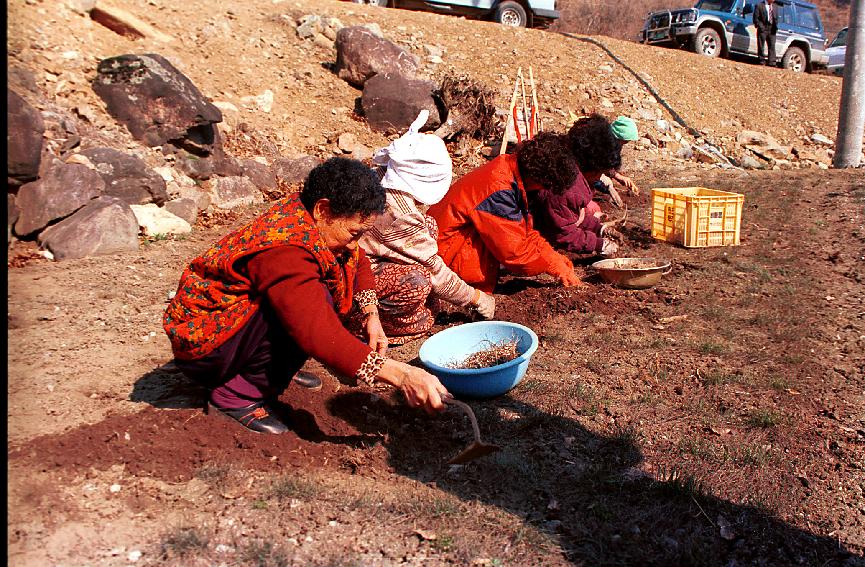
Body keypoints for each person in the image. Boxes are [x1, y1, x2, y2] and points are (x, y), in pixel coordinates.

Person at [163, 157, 449, 434]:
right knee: (311, 308)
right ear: (323, 210)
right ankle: (237, 394)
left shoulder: (308, 216)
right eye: (353, 233)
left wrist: (372, 314)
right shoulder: (285, 251)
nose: (355, 244)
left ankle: (273, 368)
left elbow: (357, 259)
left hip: (235, 327)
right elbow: (316, 332)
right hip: (207, 344)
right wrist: (402, 375)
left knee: (316, 297)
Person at [359, 111, 495, 344]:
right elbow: (435, 272)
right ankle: (367, 326)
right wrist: (477, 298)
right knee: (418, 282)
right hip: (354, 274)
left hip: (364, 253)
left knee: (429, 226)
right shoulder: (398, 213)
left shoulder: (382, 173)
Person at [428, 131, 583, 293]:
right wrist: (550, 264)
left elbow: (522, 230)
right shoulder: (500, 189)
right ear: (539, 179)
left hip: (444, 248)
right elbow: (516, 254)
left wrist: (551, 255)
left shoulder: (509, 169)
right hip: (443, 261)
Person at [528, 145, 623, 258]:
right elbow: (564, 234)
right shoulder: (563, 190)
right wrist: (600, 244)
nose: (599, 178)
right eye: (599, 173)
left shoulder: (572, 177)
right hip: (526, 241)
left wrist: (600, 228)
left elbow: (572, 215)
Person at [569, 114, 638, 216]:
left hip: (585, 174)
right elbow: (595, 168)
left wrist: (618, 177)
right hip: (578, 176)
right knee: (593, 207)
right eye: (624, 141)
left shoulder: (607, 144)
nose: (624, 144)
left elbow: (603, 167)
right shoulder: (594, 146)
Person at [754, 0, 778, 67]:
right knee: (761, 45)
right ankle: (761, 60)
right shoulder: (759, 5)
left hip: (772, 29)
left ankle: (772, 62)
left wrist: (775, 27)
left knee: (772, 45)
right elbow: (756, 19)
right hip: (763, 27)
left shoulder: (775, 6)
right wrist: (761, 27)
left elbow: (776, 18)